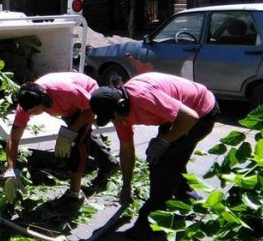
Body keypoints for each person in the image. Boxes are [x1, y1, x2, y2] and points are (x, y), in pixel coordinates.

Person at [89, 72, 218, 239]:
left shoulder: (143, 97)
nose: (115, 121)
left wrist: (163, 141)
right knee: (171, 159)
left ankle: (147, 226)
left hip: (201, 113)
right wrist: (126, 186)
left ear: (121, 106)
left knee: (162, 164)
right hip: (177, 116)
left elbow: (190, 117)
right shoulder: (119, 114)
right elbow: (127, 149)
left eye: (112, 117)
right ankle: (188, 200)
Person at [4, 72, 120, 209]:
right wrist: (11, 169)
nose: (32, 114)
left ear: (45, 100)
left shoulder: (66, 91)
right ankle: (109, 163)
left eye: (35, 110)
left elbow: (91, 109)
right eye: (30, 112)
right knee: (82, 133)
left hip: (88, 97)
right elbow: (14, 138)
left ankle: (75, 195)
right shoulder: (25, 107)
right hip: (68, 106)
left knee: (75, 144)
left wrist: (68, 133)